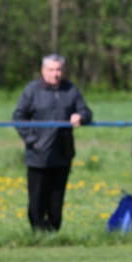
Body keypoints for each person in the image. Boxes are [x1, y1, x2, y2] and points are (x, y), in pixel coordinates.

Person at [12, 55, 93, 232]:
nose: (55, 74)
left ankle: (54, 232)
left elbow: (86, 111)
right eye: (51, 70)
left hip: (62, 154)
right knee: (37, 200)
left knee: (56, 202)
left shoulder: (70, 89)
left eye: (58, 69)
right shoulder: (32, 90)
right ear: (43, 70)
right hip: (37, 156)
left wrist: (80, 116)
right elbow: (18, 117)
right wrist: (33, 141)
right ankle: (38, 234)